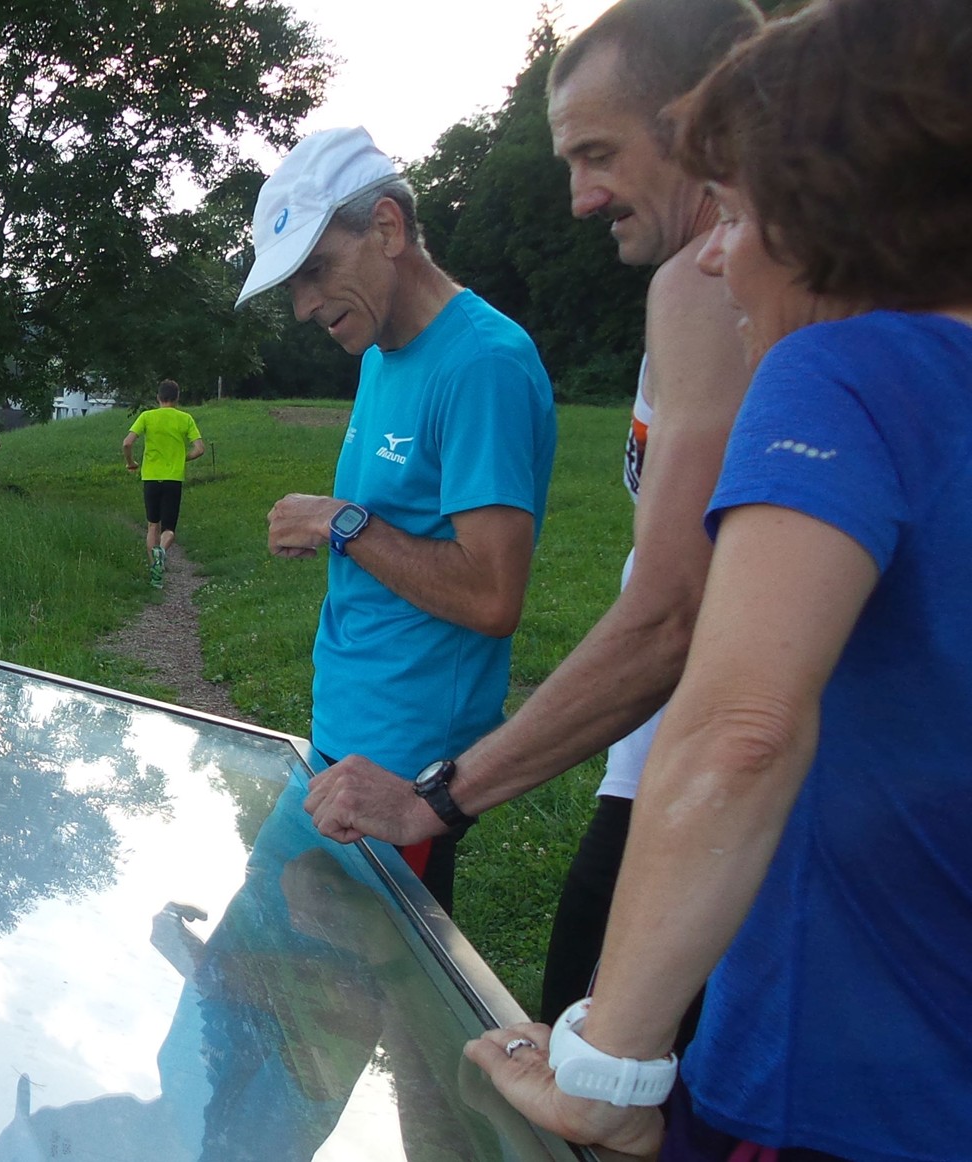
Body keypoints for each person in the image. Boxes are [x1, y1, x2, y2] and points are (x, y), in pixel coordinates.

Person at [468, 3, 972, 1158]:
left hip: (843, 1088)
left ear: (829, 214)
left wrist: (606, 1068)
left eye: (734, 213)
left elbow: (740, 728)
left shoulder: (837, 369)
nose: (710, 254)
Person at [300, 0, 761, 1034]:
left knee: (582, 1072)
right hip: (660, 765)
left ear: (705, 120)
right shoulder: (701, 287)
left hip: (718, 780)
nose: (579, 197)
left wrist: (440, 794)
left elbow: (670, 614)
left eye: (598, 153)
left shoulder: (703, 288)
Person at [238, 126, 557, 913]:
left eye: (316, 271)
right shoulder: (383, 351)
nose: (304, 307)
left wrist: (340, 523)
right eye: (292, 285)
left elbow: (493, 596)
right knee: (291, 962)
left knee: (352, 976)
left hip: (403, 768)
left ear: (386, 228)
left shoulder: (482, 363)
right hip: (347, 730)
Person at [121, 379, 205, 589]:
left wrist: (130, 462)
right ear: (177, 398)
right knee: (169, 529)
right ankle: (162, 551)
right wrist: (181, 458)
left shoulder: (147, 416)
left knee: (152, 525)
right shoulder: (185, 419)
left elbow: (127, 443)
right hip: (173, 479)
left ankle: (155, 573)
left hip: (150, 477)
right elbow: (200, 449)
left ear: (158, 397)